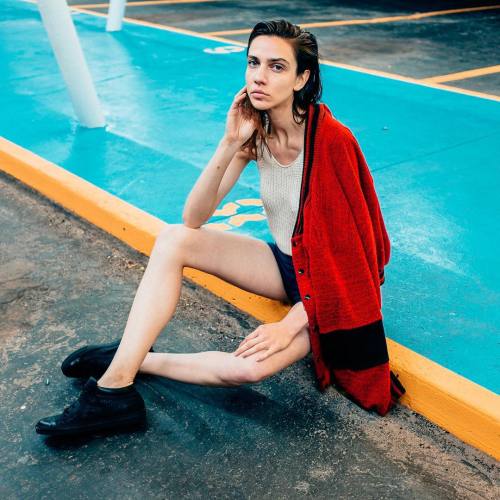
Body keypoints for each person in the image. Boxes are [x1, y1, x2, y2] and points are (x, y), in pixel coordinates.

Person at [35, 19, 325, 437]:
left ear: (302, 78)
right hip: (285, 264)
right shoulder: (257, 133)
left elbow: (362, 265)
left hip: (330, 285)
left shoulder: (329, 144)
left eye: (277, 67)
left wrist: (291, 324)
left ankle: (130, 359)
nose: (259, 77)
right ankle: (115, 389)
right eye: (253, 63)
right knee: (175, 238)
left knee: (246, 369)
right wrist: (230, 143)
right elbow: (193, 219)